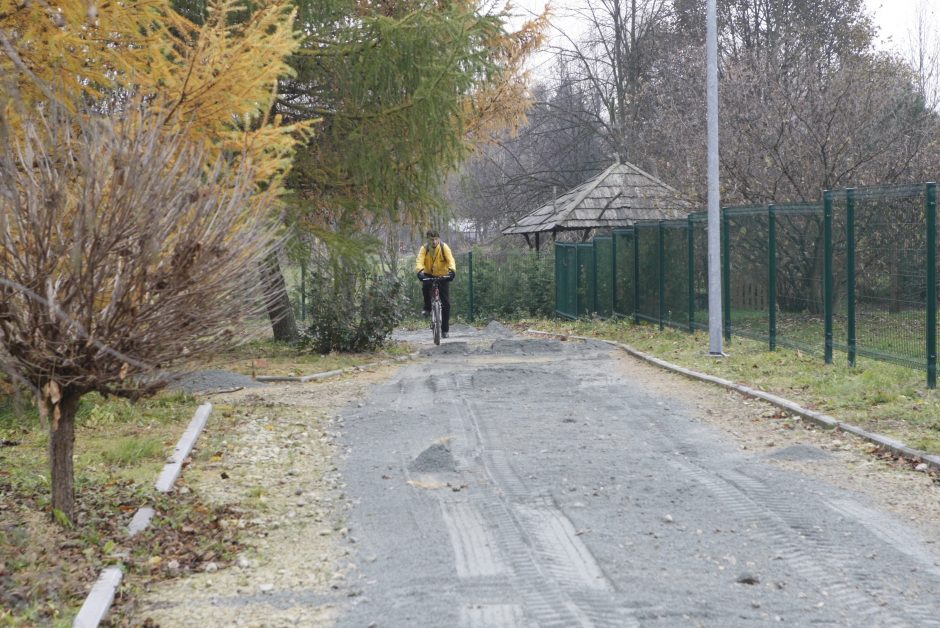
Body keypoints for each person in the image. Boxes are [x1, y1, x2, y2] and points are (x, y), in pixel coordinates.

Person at [415, 229, 456, 338]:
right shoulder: (424, 248)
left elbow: (451, 260)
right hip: (428, 274)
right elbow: (419, 260)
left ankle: (445, 330)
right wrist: (420, 272)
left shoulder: (444, 247)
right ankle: (427, 308)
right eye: (431, 239)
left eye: (436, 239)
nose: (434, 242)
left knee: (446, 304)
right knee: (425, 288)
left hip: (443, 276)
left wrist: (452, 271)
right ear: (428, 240)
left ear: (439, 239)